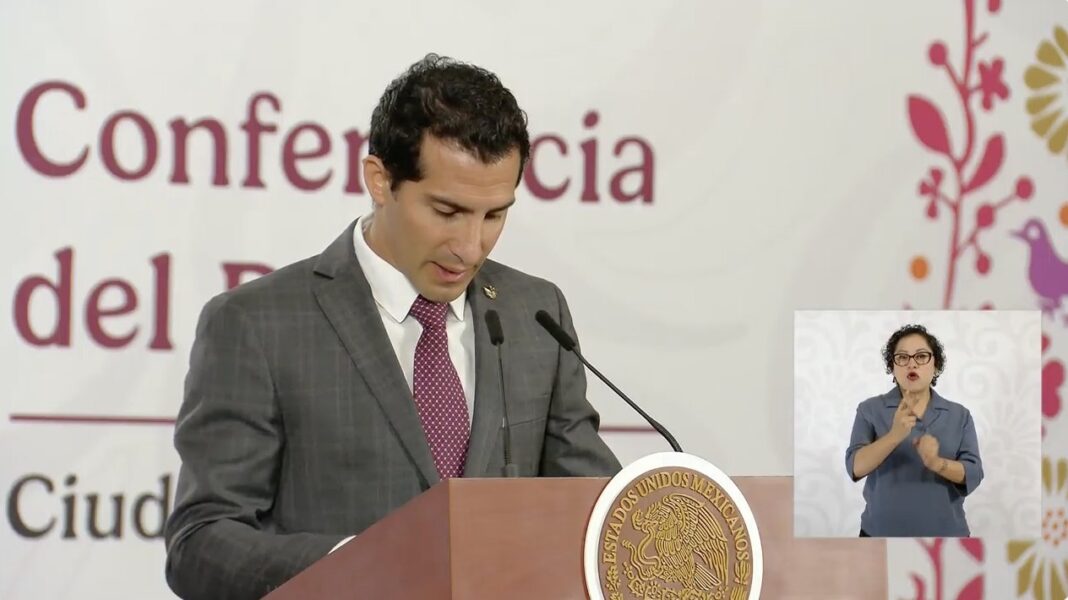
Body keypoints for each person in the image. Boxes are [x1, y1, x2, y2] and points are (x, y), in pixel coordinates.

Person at [163, 54, 622, 600]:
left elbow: (595, 515)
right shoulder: (256, 325)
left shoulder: (536, 314)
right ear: (380, 181)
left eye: (494, 215)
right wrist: (360, 564)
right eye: (447, 212)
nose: (470, 247)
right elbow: (201, 543)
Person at [844, 324, 983, 537]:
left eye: (921, 356)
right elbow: (855, 467)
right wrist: (894, 436)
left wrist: (936, 463)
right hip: (878, 535)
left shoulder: (960, 415)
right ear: (892, 366)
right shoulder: (869, 409)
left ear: (936, 364)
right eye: (902, 357)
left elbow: (973, 473)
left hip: (946, 537)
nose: (912, 363)